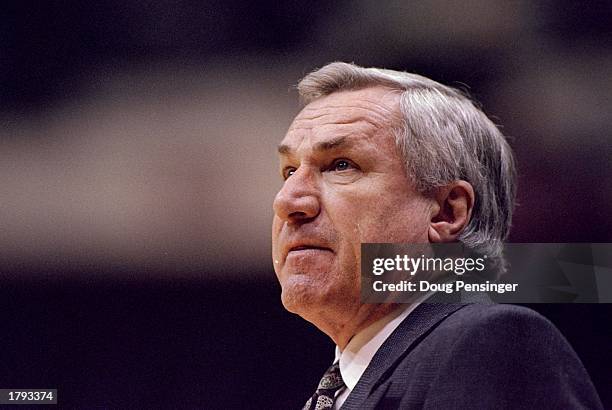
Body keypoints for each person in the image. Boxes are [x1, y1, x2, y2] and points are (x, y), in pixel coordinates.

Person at [271, 62, 602, 409]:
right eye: (290, 170)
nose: (287, 201)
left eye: (341, 165)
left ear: (447, 212)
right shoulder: (354, 384)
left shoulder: (489, 346)